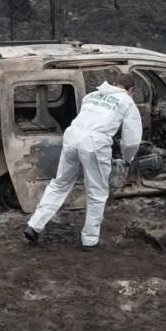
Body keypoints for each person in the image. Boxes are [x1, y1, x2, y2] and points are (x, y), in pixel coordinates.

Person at [23, 73, 143, 250]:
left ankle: (34, 225)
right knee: (97, 192)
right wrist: (126, 159)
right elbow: (132, 140)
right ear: (131, 90)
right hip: (95, 143)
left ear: (115, 83)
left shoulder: (92, 95)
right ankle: (90, 240)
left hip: (72, 137)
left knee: (60, 184)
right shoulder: (126, 101)